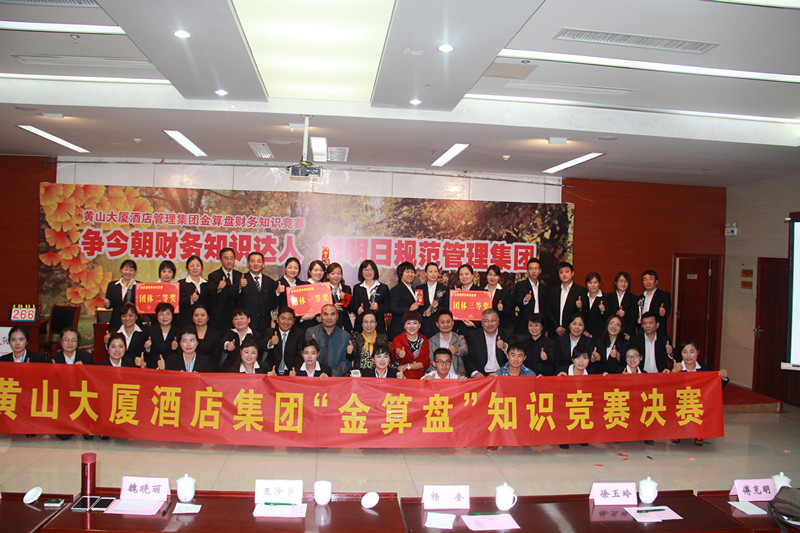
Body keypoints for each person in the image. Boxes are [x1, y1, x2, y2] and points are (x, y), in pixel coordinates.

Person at [671, 339, 729, 446]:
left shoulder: (704, 368)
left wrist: (723, 378)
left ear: (698, 352)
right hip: (680, 400)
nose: (688, 356)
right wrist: (673, 372)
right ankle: (676, 432)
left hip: (698, 401)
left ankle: (700, 434)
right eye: (685, 352)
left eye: (692, 352)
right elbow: (667, 388)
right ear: (681, 354)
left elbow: (714, 389)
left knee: (704, 404)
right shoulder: (676, 367)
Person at [306, 304, 352, 377]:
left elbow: (346, 361)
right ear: (321, 316)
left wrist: (332, 375)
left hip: (338, 378)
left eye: (332, 314)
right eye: (326, 314)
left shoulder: (345, 336)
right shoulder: (311, 332)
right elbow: (306, 357)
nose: (329, 318)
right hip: (315, 376)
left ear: (337, 316)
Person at [236, 251, 277, 334]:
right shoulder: (240, 279)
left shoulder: (270, 282)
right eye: (252, 261)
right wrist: (239, 286)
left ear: (263, 264)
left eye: (258, 261)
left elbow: (273, 305)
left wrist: (277, 293)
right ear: (248, 264)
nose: (255, 264)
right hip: (246, 324)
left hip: (264, 324)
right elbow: (232, 298)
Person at [349, 259, 390, 334]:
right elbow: (353, 306)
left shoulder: (383, 287)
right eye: (365, 270)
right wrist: (357, 309)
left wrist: (378, 307)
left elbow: (388, 307)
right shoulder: (357, 287)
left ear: (375, 271)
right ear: (361, 272)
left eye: (370, 269)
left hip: (378, 327)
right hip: (361, 326)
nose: (368, 272)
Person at [466, 309, 509, 378]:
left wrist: (505, 347)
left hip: (501, 374)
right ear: (482, 323)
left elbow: (515, 355)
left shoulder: (506, 335)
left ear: (498, 322)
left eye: (493, 320)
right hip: (481, 374)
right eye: (486, 321)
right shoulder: (473, 336)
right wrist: (475, 373)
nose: (490, 324)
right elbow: (468, 359)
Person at [206, 247, 241, 332]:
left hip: (236, 318)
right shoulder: (214, 275)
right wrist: (218, 288)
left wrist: (240, 286)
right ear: (221, 260)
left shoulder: (239, 275)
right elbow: (211, 291)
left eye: (231, 258)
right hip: (220, 318)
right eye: (226, 258)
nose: (229, 261)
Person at [263, 307, 304, 375]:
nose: (286, 322)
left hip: (291, 373)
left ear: (293, 321)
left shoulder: (299, 334)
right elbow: (261, 345)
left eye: (289, 319)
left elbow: (300, 356)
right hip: (273, 372)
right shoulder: (270, 332)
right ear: (277, 319)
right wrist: (270, 343)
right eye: (283, 318)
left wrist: (296, 371)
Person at [547, 261, 584, 338]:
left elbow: (584, 313)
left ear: (572, 273)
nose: (564, 274)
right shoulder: (552, 290)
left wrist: (580, 307)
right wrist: (556, 327)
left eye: (567, 271)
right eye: (561, 272)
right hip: (554, 332)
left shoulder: (580, 290)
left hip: (572, 332)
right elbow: (548, 310)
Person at [513, 258, 548, 337]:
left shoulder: (544, 288)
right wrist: (524, 300)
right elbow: (516, 301)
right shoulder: (521, 285)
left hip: (540, 326)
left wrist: (546, 328)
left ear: (540, 271)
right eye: (531, 269)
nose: (534, 271)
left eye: (536, 269)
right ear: (527, 271)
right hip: (524, 326)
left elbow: (546, 309)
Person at [427, 310, 468, 377]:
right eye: (442, 322)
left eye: (448, 322)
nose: (445, 325)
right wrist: (435, 376)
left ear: (453, 323)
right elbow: (430, 363)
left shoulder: (459, 338)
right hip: (438, 377)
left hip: (457, 376)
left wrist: (456, 350)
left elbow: (465, 350)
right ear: (437, 324)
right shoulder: (431, 341)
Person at [103, 259, 139, 333]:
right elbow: (109, 305)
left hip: (133, 322)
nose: (128, 272)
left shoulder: (139, 286)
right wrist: (107, 304)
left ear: (135, 272)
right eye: (125, 269)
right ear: (121, 270)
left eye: (131, 270)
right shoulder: (112, 285)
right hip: (116, 321)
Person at [392, 311, 430, 380]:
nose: (412, 326)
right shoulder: (398, 339)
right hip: (401, 375)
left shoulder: (424, 340)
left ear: (419, 325)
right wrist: (400, 352)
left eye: (415, 323)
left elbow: (424, 363)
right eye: (408, 323)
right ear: (404, 326)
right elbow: (397, 348)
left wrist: (408, 366)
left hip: (419, 375)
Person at [388, 261, 420, 340]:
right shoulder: (396, 289)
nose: (410, 274)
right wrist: (409, 309)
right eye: (407, 272)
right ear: (401, 274)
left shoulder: (414, 290)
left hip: (411, 330)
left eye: (412, 272)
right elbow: (393, 308)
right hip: (399, 329)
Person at [417, 262, 449, 338]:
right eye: (430, 271)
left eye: (435, 271)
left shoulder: (444, 289)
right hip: (423, 326)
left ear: (438, 273)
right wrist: (424, 312)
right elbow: (417, 307)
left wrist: (436, 308)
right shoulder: (419, 289)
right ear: (425, 273)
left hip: (439, 326)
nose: (433, 274)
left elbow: (447, 308)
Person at [602, 271, 638, 339]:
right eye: (621, 281)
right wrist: (616, 313)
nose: (623, 284)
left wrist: (628, 333)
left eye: (626, 281)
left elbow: (634, 317)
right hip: (611, 333)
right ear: (616, 282)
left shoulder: (633, 298)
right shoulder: (608, 297)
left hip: (628, 334)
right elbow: (606, 316)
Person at [142, 302, 178, 368]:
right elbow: (144, 354)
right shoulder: (149, 331)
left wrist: (176, 348)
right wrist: (147, 348)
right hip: (153, 367)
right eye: (161, 314)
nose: (165, 317)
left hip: (171, 367)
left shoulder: (177, 332)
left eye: (168, 314)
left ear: (172, 315)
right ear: (157, 317)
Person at [453, 263, 484, 337]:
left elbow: (485, 312)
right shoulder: (454, 291)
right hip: (457, 331)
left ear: (472, 275)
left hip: (475, 331)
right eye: (461, 274)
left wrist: (475, 324)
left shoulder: (481, 292)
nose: (464, 277)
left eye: (467, 274)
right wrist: (456, 296)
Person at [178, 255, 208, 327]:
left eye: (197, 265)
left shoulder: (206, 283)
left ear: (201, 267)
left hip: (204, 323)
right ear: (187, 268)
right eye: (192, 266)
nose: (195, 268)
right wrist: (190, 299)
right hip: (187, 321)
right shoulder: (181, 283)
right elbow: (179, 302)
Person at [297, 259, 327, 330]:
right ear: (310, 271)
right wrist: (302, 318)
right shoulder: (302, 286)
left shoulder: (325, 287)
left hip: (323, 326)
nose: (318, 273)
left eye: (321, 270)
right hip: (306, 325)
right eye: (315, 270)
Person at [639, 269, 671, 334]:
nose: (648, 282)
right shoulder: (640, 298)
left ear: (656, 282)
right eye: (645, 279)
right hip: (642, 331)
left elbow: (667, 311)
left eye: (650, 279)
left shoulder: (664, 295)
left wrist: (663, 312)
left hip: (658, 332)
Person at [192, 305, 222, 370]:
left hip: (209, 369)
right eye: (196, 315)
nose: (199, 318)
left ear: (208, 317)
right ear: (192, 317)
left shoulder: (215, 334)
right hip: (190, 369)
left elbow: (216, 357)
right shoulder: (188, 332)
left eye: (202, 315)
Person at [485, 264, 514, 330]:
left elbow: (510, 311)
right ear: (486, 276)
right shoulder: (482, 291)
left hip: (500, 327)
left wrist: (503, 309)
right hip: (485, 327)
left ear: (499, 277)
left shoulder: (505, 291)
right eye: (490, 275)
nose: (492, 277)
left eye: (495, 275)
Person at [327, 262, 353, 332]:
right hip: (329, 325)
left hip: (344, 324)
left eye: (339, 273)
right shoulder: (324, 290)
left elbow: (351, 308)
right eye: (333, 274)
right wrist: (332, 308)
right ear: (328, 276)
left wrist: (345, 298)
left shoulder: (346, 289)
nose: (336, 276)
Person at [578, 272, 605, 339]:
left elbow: (608, 318)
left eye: (595, 282)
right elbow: (579, 316)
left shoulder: (606, 298)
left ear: (599, 283)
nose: (592, 285)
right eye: (590, 283)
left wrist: (603, 311)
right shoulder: (582, 297)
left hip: (599, 336)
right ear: (586, 284)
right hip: (584, 334)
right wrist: (584, 331)